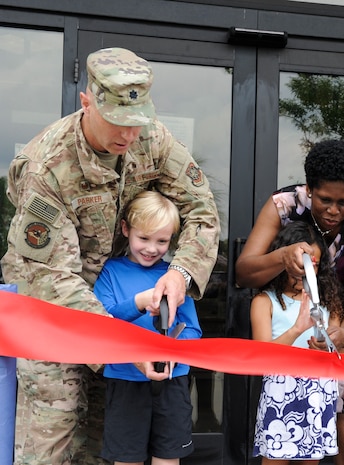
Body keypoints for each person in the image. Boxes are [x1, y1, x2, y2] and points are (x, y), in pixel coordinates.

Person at [2, 47, 220, 464]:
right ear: (86, 103)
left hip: (123, 307)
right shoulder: (46, 166)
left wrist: (181, 273)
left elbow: (201, 211)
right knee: (56, 427)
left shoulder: (153, 138)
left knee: (112, 435)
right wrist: (121, 346)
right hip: (55, 312)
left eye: (137, 123)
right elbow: (53, 279)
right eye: (118, 122)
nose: (129, 136)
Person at [236, 139, 344, 465]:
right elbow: (244, 273)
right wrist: (281, 256)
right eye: (325, 200)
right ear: (308, 189)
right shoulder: (283, 206)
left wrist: (343, 333)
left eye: (343, 202)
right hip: (290, 306)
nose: (334, 210)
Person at [93, 191, 201, 464]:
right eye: (143, 238)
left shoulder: (175, 277)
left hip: (172, 381)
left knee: (168, 457)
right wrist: (139, 302)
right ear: (126, 229)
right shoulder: (110, 272)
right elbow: (103, 321)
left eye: (162, 241)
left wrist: (174, 350)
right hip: (125, 379)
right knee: (126, 458)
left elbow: (192, 330)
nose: (152, 248)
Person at [251, 221, 344, 464]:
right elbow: (261, 358)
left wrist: (328, 345)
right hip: (280, 392)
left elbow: (340, 352)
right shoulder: (265, 301)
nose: (306, 271)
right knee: (274, 459)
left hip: (317, 392)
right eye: (302, 263)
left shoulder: (328, 302)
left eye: (313, 265)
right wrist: (296, 329)